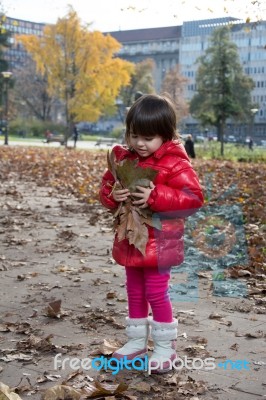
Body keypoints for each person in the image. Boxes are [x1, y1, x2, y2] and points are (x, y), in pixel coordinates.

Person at [99, 94, 204, 373]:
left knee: (156, 292)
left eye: (148, 138)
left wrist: (157, 195)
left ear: (165, 135)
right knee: (134, 290)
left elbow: (193, 198)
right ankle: (136, 342)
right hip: (131, 239)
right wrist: (113, 195)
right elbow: (106, 191)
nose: (140, 144)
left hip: (160, 243)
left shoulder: (175, 163)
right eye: (134, 136)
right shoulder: (123, 159)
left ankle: (164, 347)